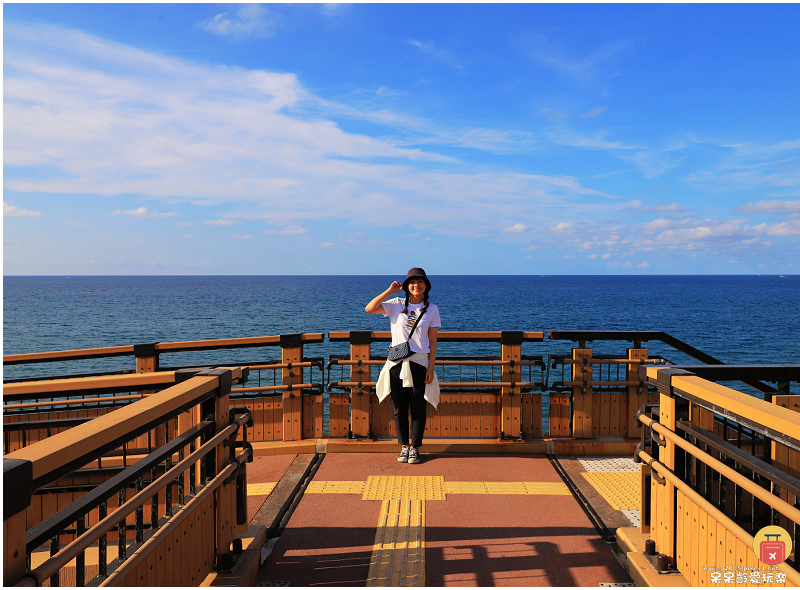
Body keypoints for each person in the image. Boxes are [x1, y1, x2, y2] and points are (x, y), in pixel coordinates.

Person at [365, 268, 441, 464]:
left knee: (418, 407)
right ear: (407, 286)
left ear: (426, 286)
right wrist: (390, 291)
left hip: (419, 363)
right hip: (397, 363)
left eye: (420, 282)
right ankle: (404, 446)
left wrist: (431, 368)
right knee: (399, 407)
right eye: (412, 282)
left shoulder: (431, 309)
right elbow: (370, 308)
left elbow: (433, 341)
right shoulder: (396, 304)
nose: (416, 285)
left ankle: (415, 447)